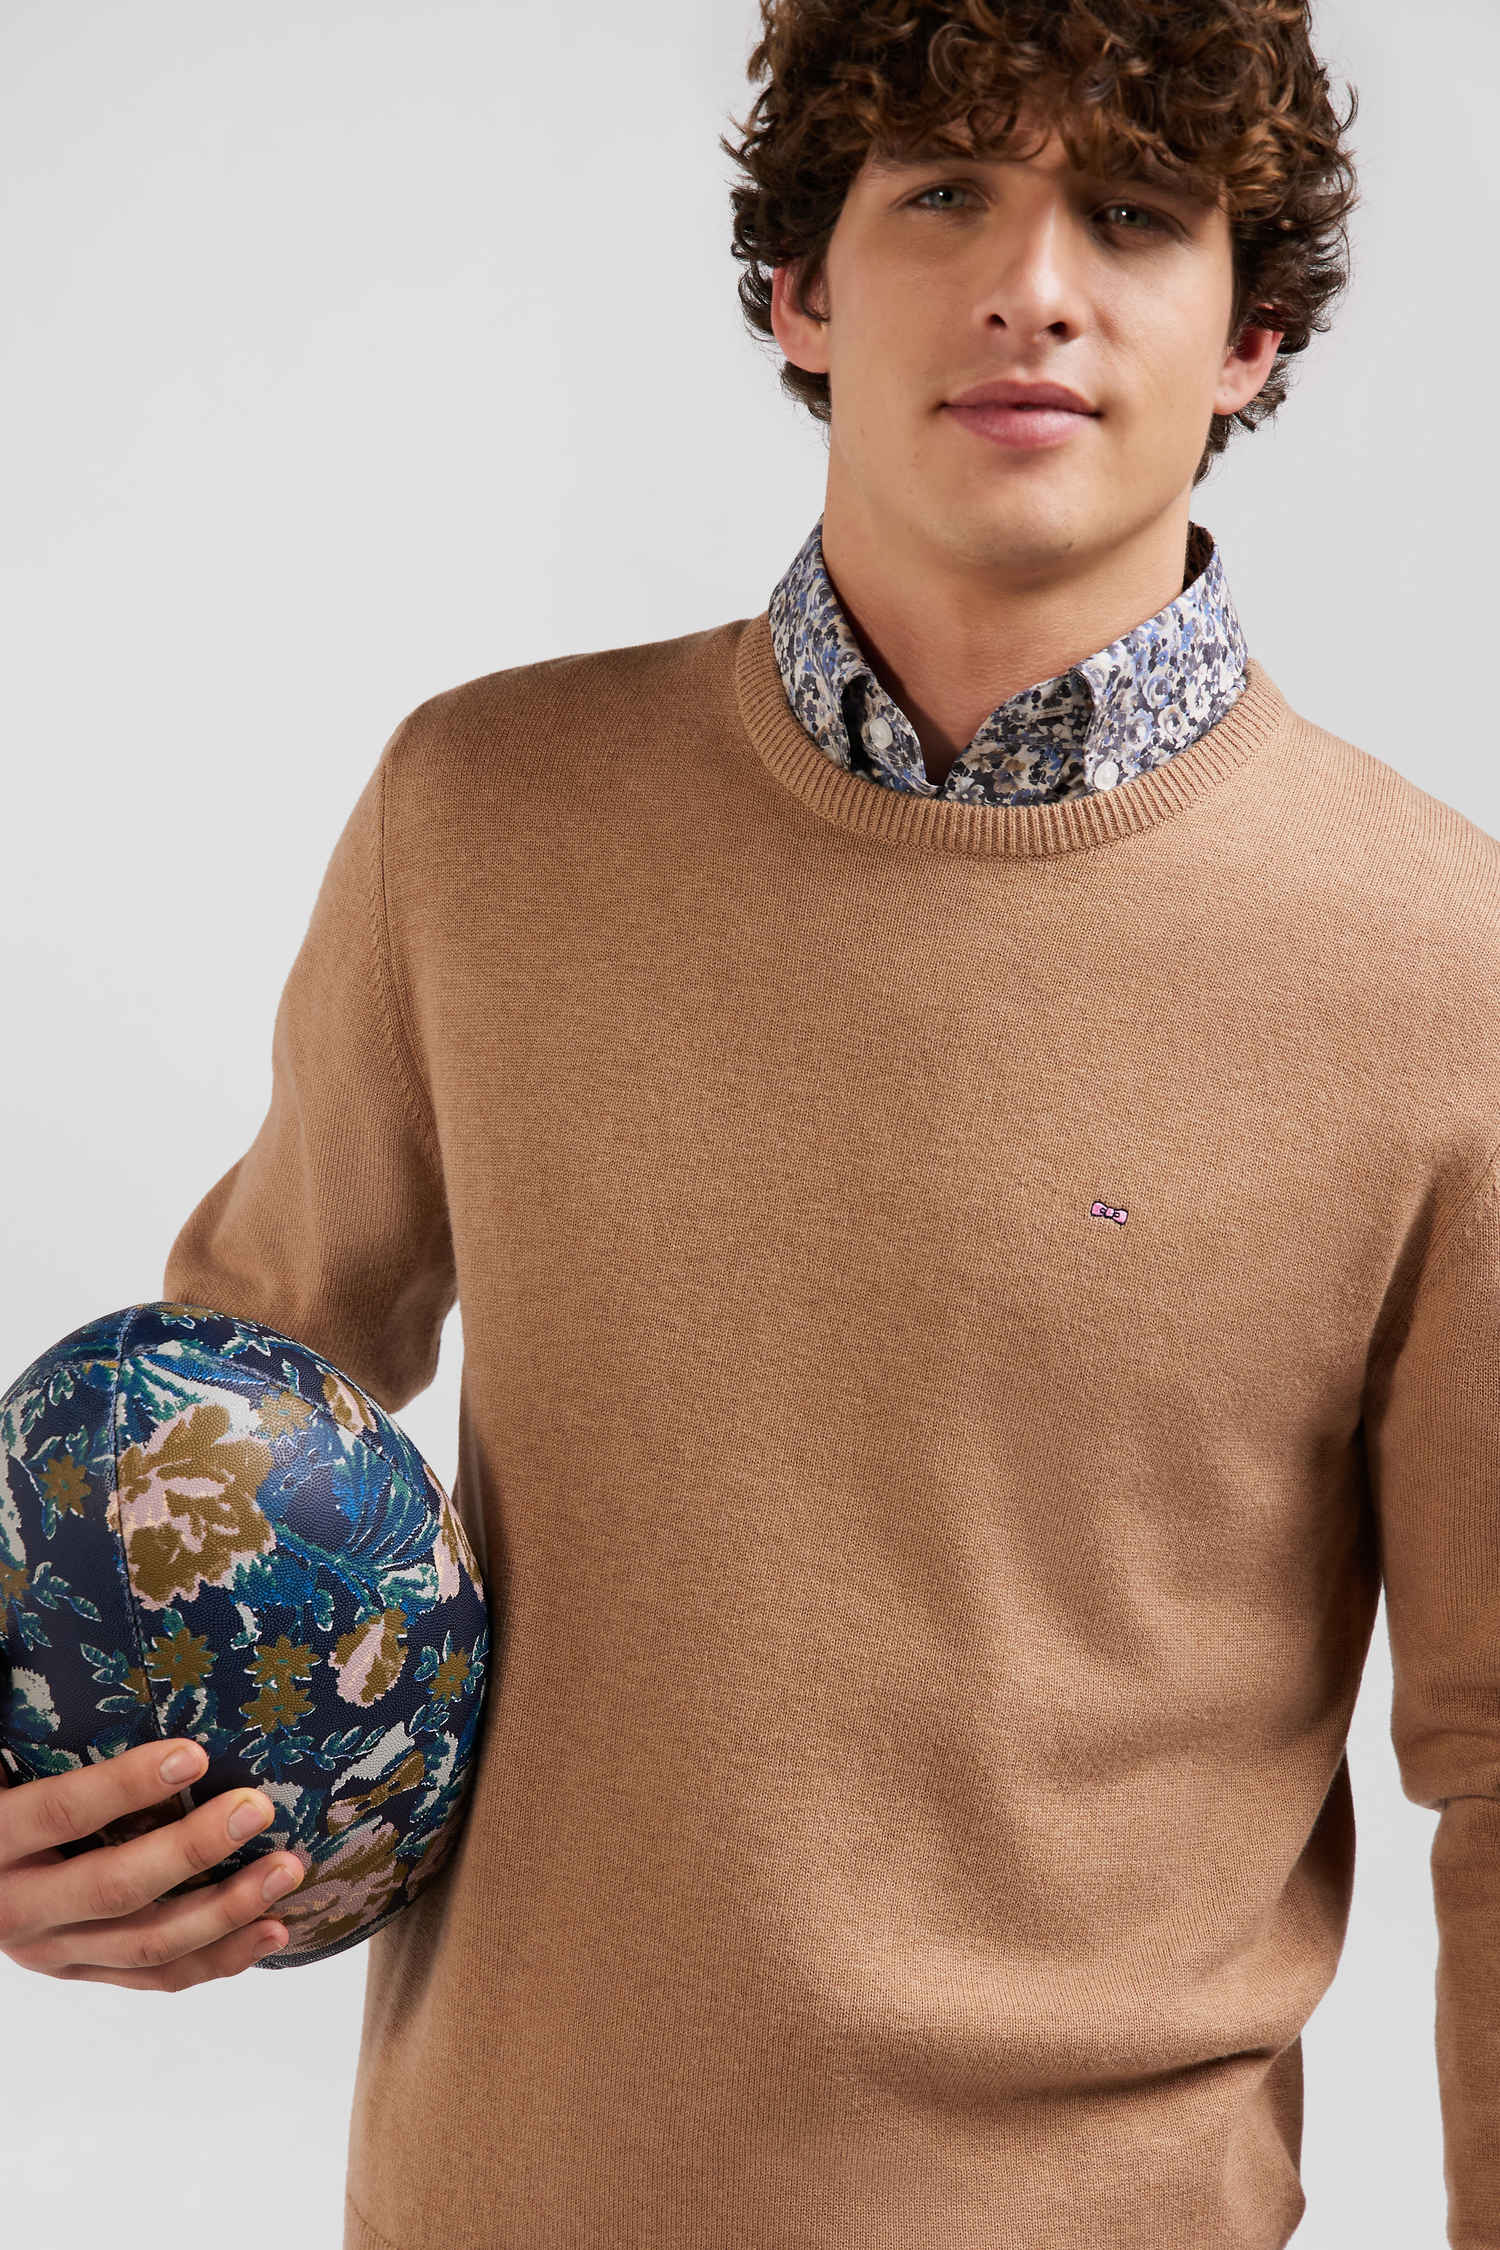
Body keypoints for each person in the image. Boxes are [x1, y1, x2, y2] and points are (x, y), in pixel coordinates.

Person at [5, 4, 1498, 2247]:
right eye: (945, 193)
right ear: (800, 288)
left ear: (1252, 335)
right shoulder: (478, 822)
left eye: (1132, 213)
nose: (1034, 286)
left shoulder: (1448, 969)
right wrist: (50, 1806)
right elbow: (196, 1443)